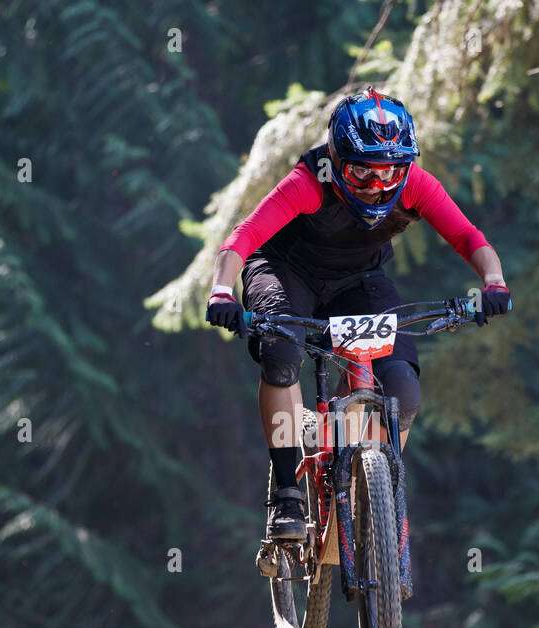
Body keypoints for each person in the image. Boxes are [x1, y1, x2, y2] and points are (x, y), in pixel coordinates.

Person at [206, 87, 511, 540]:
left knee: (403, 390)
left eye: (390, 173)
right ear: (336, 158)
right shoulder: (311, 181)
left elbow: (468, 238)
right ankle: (287, 496)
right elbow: (243, 237)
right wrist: (221, 291)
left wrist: (494, 283)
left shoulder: (416, 185)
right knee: (283, 356)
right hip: (286, 269)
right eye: (362, 171)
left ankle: (378, 489)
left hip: (358, 279)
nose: (377, 184)